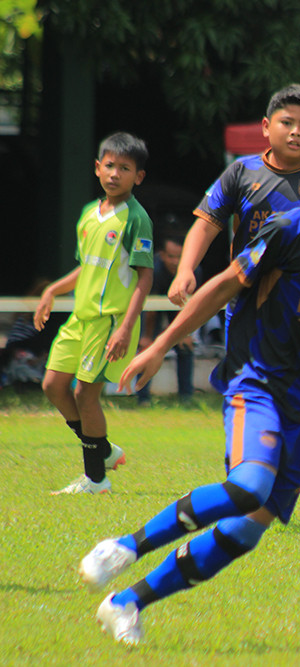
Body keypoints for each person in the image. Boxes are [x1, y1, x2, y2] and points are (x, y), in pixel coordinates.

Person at [77, 126, 300, 646]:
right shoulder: (292, 229)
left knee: (247, 530)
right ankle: (124, 545)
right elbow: (224, 285)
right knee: (249, 485)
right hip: (258, 381)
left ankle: (127, 602)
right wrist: (159, 345)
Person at [33, 132, 155, 495]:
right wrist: (53, 289)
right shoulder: (89, 213)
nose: (116, 173)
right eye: (110, 165)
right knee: (53, 386)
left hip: (110, 321)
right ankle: (102, 449)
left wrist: (126, 328)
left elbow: (145, 276)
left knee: (86, 394)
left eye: (125, 168)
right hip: (80, 318)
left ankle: (96, 479)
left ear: (139, 177)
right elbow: (86, 267)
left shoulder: (136, 219)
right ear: (97, 168)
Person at [168, 83, 300, 308]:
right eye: (286, 123)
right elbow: (205, 225)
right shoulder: (241, 171)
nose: (295, 131)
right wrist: (184, 270)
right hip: (245, 302)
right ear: (266, 127)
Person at [136, 236, 201, 404]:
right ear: (161, 255)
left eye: (179, 257)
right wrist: (147, 337)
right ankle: (142, 398)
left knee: (186, 346)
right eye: (171, 256)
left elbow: (195, 306)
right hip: (151, 308)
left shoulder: (195, 271)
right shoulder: (154, 271)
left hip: (181, 307)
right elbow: (151, 309)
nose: (175, 262)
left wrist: (186, 333)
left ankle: (186, 398)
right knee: (146, 348)